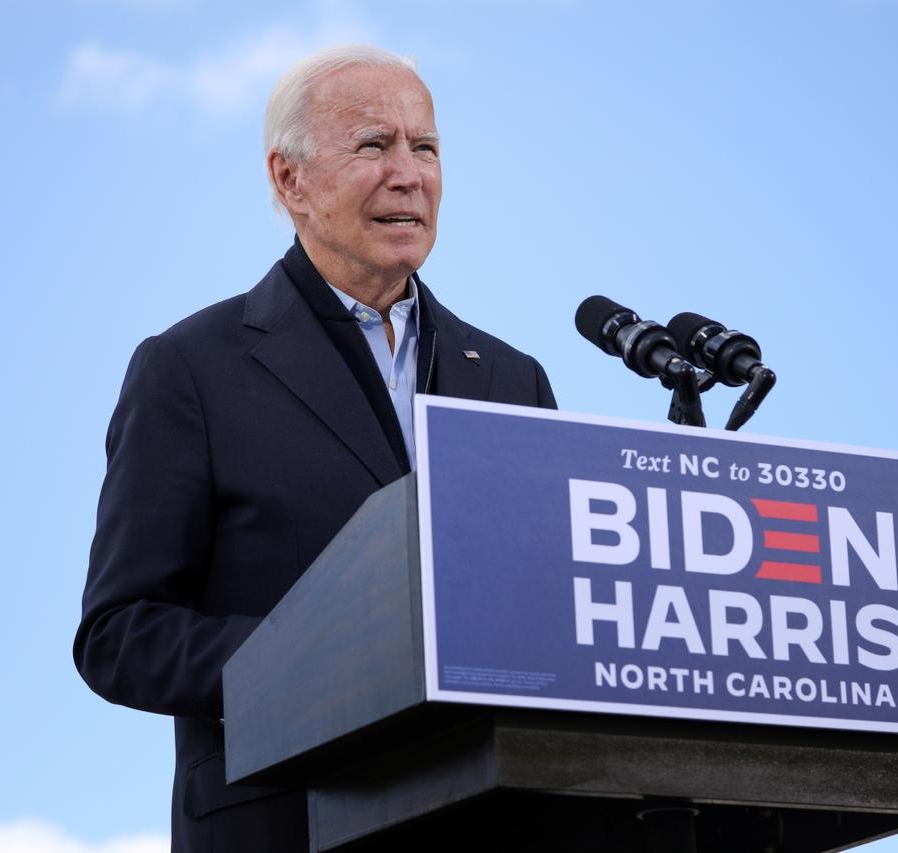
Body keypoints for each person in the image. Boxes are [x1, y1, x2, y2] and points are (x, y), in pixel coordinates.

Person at [73, 44, 556, 853]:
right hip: (287, 820)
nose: (408, 175)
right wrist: (319, 656)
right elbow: (121, 634)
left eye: (425, 147)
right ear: (290, 179)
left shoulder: (513, 379)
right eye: (374, 145)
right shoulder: (191, 368)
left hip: (485, 817)